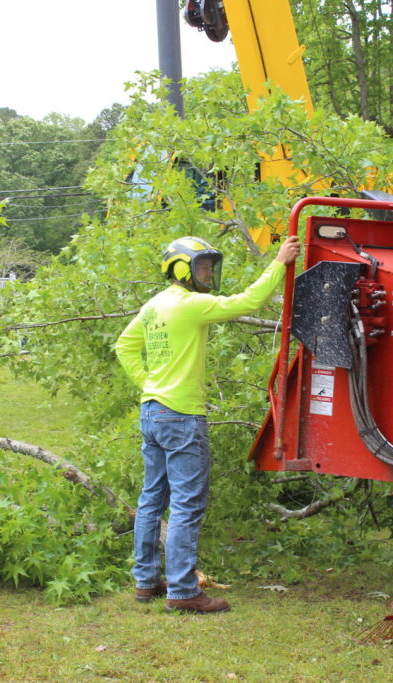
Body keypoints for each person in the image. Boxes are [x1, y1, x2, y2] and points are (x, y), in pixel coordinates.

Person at [115, 234, 301, 613]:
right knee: (186, 504)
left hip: (153, 411)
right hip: (181, 415)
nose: (207, 272)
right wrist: (279, 263)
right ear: (181, 268)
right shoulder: (189, 305)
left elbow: (124, 345)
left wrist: (149, 383)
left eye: (208, 266)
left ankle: (146, 582)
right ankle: (183, 592)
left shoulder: (154, 306)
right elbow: (247, 302)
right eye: (201, 266)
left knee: (152, 499)